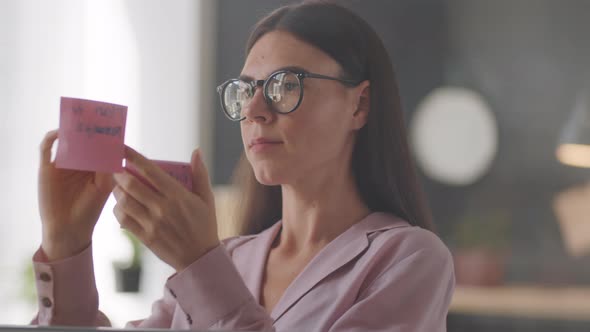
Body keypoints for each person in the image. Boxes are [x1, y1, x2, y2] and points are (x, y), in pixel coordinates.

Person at [31, 2, 455, 331]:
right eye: (244, 90)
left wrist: (200, 265)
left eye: (286, 85)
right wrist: (66, 246)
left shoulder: (407, 259)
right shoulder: (229, 260)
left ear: (359, 104)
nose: (253, 109)